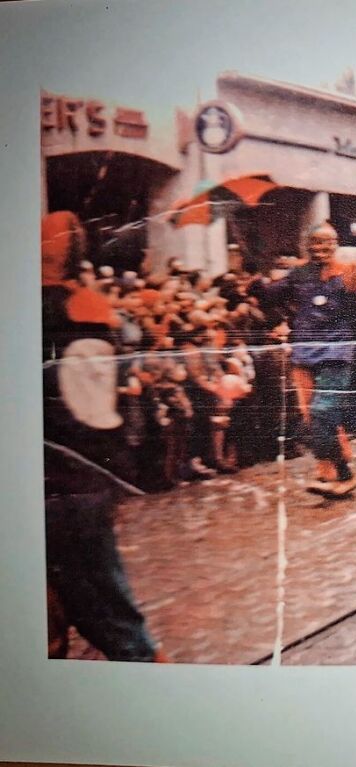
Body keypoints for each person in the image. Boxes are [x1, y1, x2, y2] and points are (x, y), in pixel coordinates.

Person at [41, 211, 167, 661]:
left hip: (70, 481)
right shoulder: (84, 304)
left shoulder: (75, 306)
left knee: (107, 613)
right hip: (71, 480)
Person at [248, 220, 356, 498]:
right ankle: (328, 473)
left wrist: (354, 292)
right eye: (316, 242)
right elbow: (269, 297)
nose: (321, 248)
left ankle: (344, 473)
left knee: (323, 412)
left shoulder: (348, 271)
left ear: (335, 245)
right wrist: (255, 282)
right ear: (307, 245)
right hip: (304, 350)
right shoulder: (298, 273)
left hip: (336, 351)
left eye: (327, 242)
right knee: (311, 416)